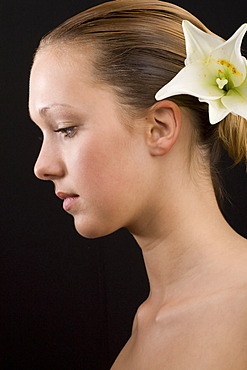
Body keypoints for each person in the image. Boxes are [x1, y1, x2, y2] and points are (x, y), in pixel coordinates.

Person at [29, 0, 247, 368]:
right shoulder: (149, 320)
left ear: (159, 128)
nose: (42, 167)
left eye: (65, 128)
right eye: (43, 134)